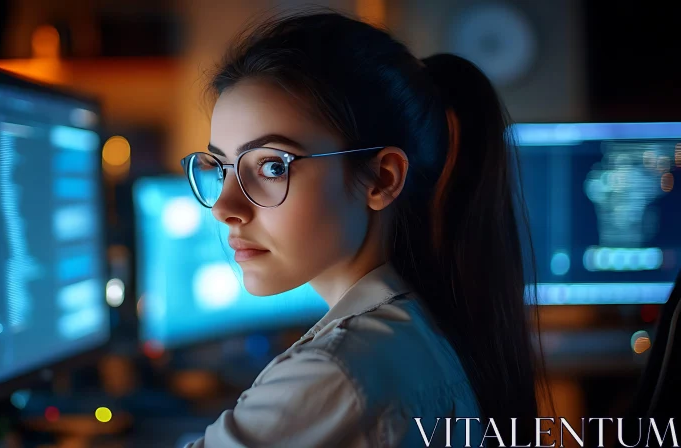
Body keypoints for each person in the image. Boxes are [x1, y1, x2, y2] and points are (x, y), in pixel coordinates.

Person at [181, 10, 550, 447]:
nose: (225, 206)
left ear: (382, 179)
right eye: (221, 167)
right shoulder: (414, 324)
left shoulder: (335, 374)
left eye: (272, 165)